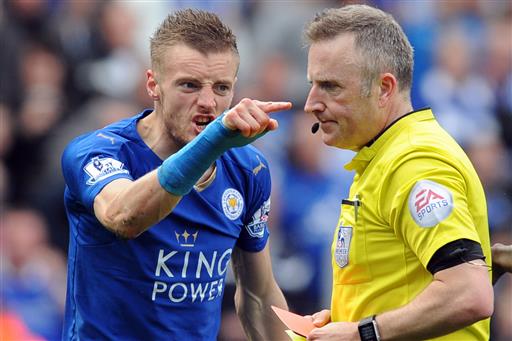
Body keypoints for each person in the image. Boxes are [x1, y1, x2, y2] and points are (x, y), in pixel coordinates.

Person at [61, 9, 289, 340]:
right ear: (153, 84)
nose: (209, 102)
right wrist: (212, 142)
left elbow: (259, 295)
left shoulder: (248, 170)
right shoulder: (98, 152)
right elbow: (123, 216)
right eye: (189, 85)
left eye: (222, 87)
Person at [302, 5, 493, 341]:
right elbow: (407, 279)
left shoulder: (414, 163)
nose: (311, 103)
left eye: (330, 86)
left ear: (384, 88)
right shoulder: (383, 156)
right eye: (313, 84)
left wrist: (362, 332)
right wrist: (349, 316)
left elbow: (468, 294)